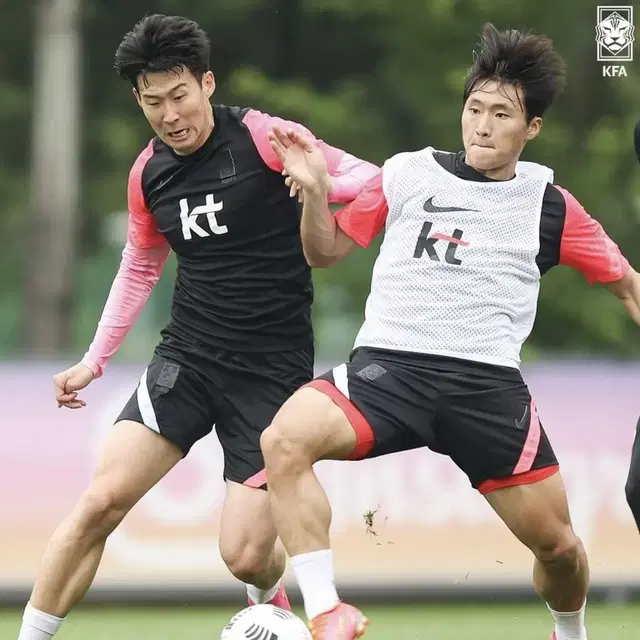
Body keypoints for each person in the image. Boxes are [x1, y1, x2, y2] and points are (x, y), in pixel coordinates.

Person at [260, 23, 640, 640]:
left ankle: (569, 630)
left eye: (501, 114)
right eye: (474, 109)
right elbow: (324, 252)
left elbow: (627, 284)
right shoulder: (407, 174)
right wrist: (314, 194)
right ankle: (327, 611)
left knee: (562, 552)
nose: (483, 125)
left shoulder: (550, 205)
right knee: (283, 440)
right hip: (388, 370)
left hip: (487, 390)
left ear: (532, 128)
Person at [16, 14, 378, 640]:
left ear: (207, 83)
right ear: (138, 99)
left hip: (270, 371)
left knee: (243, 554)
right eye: (153, 102)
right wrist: (93, 360)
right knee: (101, 500)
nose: (170, 114)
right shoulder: (147, 173)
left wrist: (320, 182)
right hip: (187, 359)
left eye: (180, 96)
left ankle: (268, 600)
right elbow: (138, 266)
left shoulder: (266, 136)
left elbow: (371, 180)